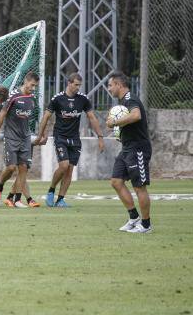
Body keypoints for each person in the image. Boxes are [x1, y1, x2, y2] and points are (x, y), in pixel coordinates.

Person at [35, 73, 105, 207]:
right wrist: (40, 135)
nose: (78, 88)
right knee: (64, 165)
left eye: (79, 85)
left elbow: (92, 118)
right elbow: (46, 117)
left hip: (75, 138)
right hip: (60, 136)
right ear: (69, 83)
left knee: (70, 170)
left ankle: (60, 199)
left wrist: (100, 137)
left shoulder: (83, 99)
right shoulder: (58, 99)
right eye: (76, 85)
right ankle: (51, 190)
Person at [106, 71, 153, 233]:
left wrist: (115, 123)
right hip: (127, 147)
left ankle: (146, 225)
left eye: (110, 85)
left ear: (119, 85)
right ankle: (134, 218)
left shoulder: (130, 99)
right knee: (116, 181)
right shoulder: (122, 103)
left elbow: (136, 115)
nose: (109, 89)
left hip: (138, 148)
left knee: (139, 187)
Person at [0, 72, 42, 208]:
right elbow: (1, 116)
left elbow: (31, 118)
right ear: (26, 81)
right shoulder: (13, 96)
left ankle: (17, 199)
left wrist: (39, 135)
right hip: (11, 137)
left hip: (25, 138)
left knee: (23, 168)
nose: (33, 88)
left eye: (36, 86)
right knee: (11, 167)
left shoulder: (32, 98)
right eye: (32, 85)